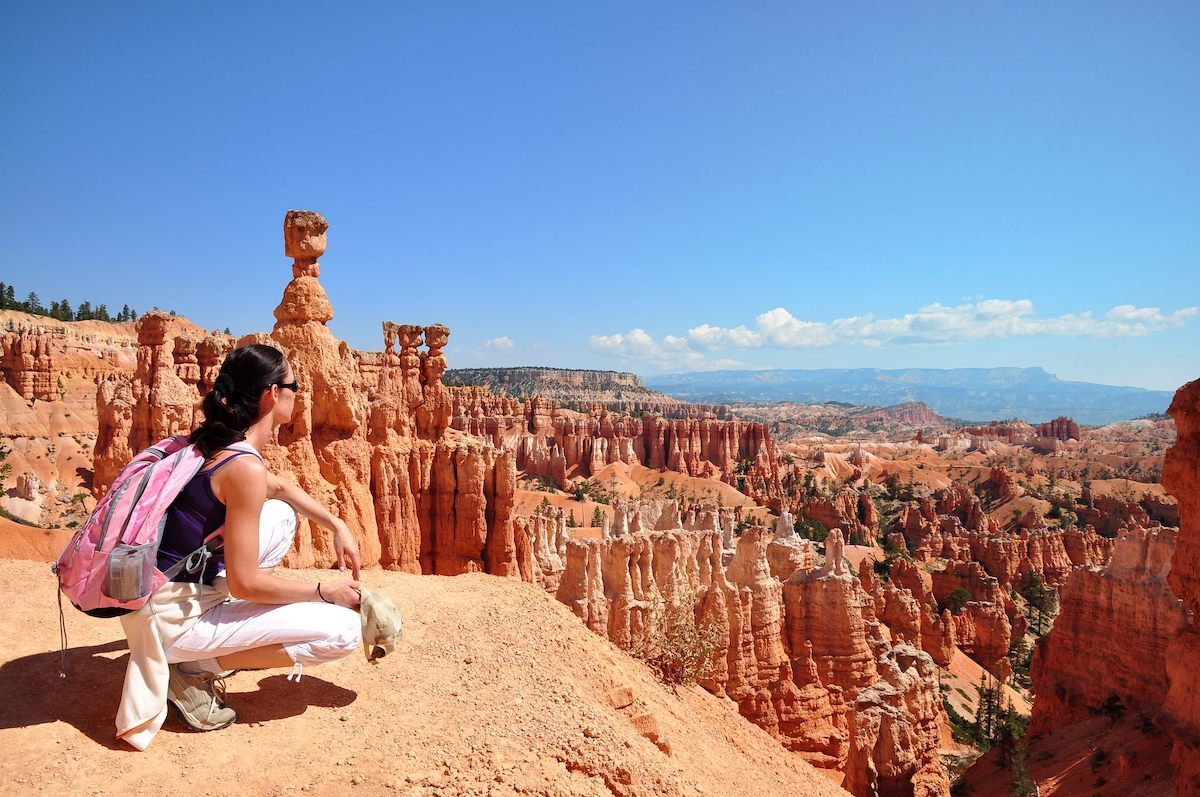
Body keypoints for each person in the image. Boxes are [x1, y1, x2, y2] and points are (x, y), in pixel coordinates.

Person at [116, 344, 363, 748]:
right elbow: (247, 584)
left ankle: (209, 636)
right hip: (173, 619)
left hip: (158, 596)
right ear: (271, 394)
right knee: (343, 631)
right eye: (293, 385)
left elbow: (280, 487)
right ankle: (191, 668)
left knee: (281, 516)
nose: (297, 393)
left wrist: (336, 523)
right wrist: (324, 592)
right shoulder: (244, 467)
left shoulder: (218, 442)